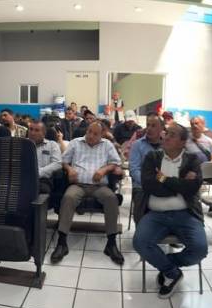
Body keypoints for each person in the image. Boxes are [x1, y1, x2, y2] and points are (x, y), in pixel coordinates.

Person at [133, 123, 207, 298]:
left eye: (172, 135)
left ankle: (166, 266)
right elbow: (149, 186)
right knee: (140, 242)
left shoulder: (192, 160)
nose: (166, 137)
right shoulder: (152, 157)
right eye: (166, 133)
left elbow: (192, 188)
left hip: (185, 214)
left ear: (182, 142)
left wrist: (164, 179)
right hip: (155, 214)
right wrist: (180, 185)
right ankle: (173, 273)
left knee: (199, 250)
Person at [52, 122, 123, 265]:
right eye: (89, 131)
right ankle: (62, 242)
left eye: (95, 134)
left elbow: (116, 163)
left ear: (102, 135)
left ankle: (111, 243)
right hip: (78, 184)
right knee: (68, 197)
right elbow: (63, 161)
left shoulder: (107, 145)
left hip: (99, 186)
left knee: (111, 198)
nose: (90, 135)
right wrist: (69, 169)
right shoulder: (75, 142)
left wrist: (104, 170)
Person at [129, 114, 164, 223]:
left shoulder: (167, 144)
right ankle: (141, 228)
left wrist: (163, 182)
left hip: (164, 183)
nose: (149, 128)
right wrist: (149, 183)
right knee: (141, 197)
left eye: (153, 126)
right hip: (142, 185)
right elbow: (134, 170)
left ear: (161, 128)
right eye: (148, 125)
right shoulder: (137, 145)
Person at [27, 120, 63, 194]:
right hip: (22, 178)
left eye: (37, 130)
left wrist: (38, 172)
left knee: (34, 189)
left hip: (42, 179)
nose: (32, 133)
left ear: (44, 133)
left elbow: (57, 163)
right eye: (31, 129)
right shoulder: (22, 144)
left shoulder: (52, 145)